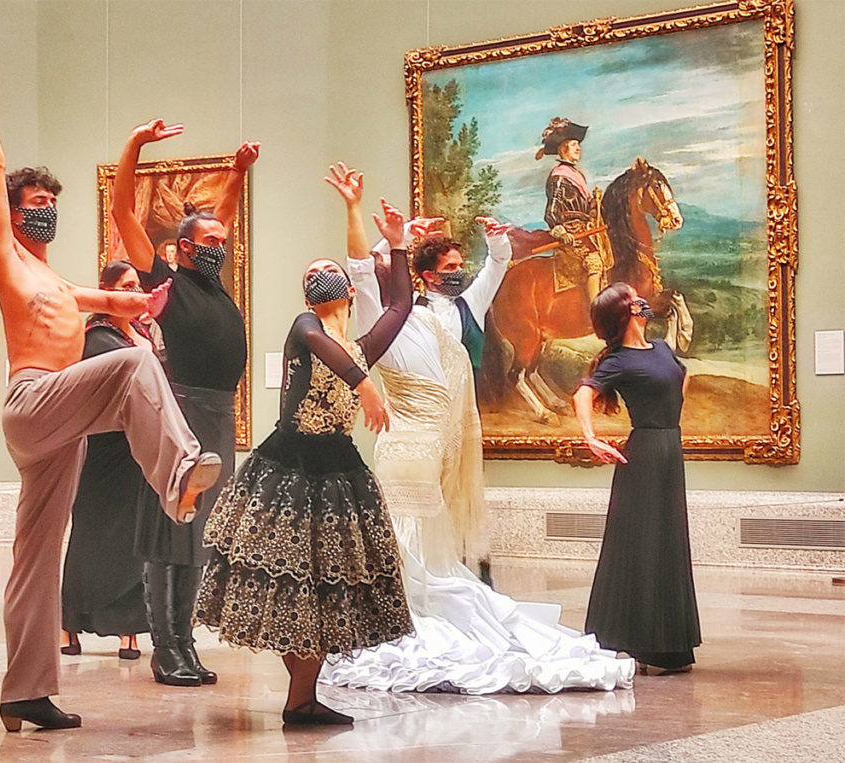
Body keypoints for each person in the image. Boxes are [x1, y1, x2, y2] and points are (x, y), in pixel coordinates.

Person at [0, 60, 222, 731]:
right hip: (32, 402)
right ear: (13, 213)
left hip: (58, 429)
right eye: (35, 202)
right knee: (131, 364)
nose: (47, 209)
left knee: (34, 558)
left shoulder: (56, 281)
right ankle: (179, 470)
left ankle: (24, 692)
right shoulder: (5, 254)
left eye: (49, 201)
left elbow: (102, 297)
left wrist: (144, 299)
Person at [319, 164, 635, 694]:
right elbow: (360, 268)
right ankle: (395, 618)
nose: (455, 273)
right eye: (446, 267)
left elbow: (494, 274)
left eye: (457, 266)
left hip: (447, 446)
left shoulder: (459, 309)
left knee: (437, 547)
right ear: (420, 273)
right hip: (407, 444)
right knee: (408, 545)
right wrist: (367, 219)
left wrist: (497, 245)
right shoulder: (385, 317)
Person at [195, 199, 416, 725]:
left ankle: (302, 699)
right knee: (290, 584)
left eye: (329, 270)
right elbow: (321, 346)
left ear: (351, 289)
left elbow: (401, 307)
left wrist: (400, 245)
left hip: (338, 472)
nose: (317, 273)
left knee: (323, 589)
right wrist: (366, 387)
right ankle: (300, 698)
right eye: (310, 273)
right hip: (287, 470)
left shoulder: (361, 345)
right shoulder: (304, 327)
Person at [112, 120, 258, 687]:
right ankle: (165, 648)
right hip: (183, 415)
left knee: (197, 537)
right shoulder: (167, 280)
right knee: (171, 533)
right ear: (183, 248)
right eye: (209, 243)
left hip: (217, 417)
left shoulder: (217, 284)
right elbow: (126, 213)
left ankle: (186, 643)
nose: (220, 248)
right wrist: (134, 147)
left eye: (223, 242)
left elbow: (224, 215)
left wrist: (239, 175)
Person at [573, 282, 700, 676]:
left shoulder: (661, 348)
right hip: (643, 452)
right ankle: (635, 639)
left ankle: (669, 646)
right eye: (633, 298)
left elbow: (680, 377)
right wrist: (591, 438)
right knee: (641, 543)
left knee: (667, 540)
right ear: (625, 312)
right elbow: (582, 394)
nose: (641, 300)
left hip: (668, 449)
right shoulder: (618, 360)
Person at [60, 260, 167, 662]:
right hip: (102, 447)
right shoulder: (97, 337)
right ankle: (69, 623)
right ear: (106, 292)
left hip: (134, 448)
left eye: (136, 285)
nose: (132, 292)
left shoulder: (140, 335)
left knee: (131, 539)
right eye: (124, 286)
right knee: (89, 533)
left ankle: (128, 628)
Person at [537, 117, 610, 302]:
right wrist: (561, 231)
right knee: (594, 262)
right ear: (563, 149)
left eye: (578, 145)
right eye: (573, 144)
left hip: (585, 232)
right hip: (571, 235)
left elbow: (582, 209)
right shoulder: (559, 176)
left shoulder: (577, 174)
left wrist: (594, 205)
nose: (578, 148)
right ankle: (596, 311)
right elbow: (552, 211)